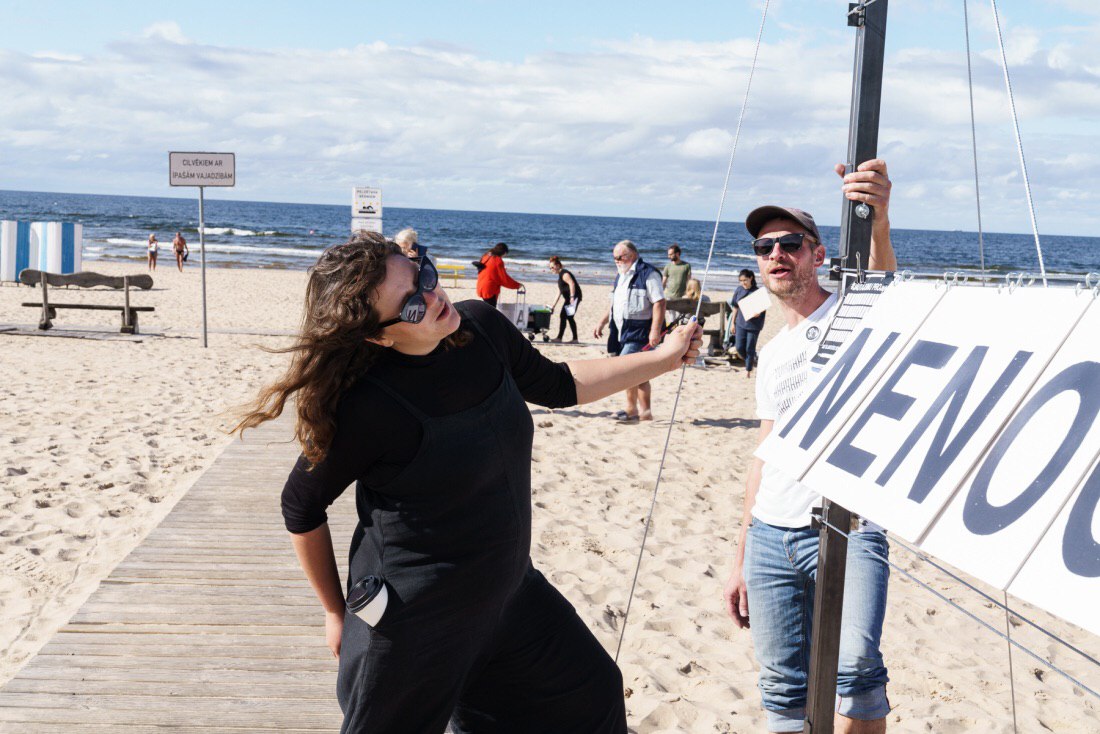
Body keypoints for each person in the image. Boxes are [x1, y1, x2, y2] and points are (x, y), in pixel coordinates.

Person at [236, 232, 702, 733]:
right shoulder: (365, 407)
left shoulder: (481, 327)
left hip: (508, 591)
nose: (433, 299)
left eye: (426, 278)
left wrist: (664, 358)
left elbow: (558, 384)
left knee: (591, 696)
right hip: (415, 622)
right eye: (410, 305)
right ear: (375, 335)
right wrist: (334, 612)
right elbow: (300, 507)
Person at [723, 159, 896, 734]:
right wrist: (741, 554)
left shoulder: (853, 313)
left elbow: (881, 282)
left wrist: (877, 216)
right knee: (781, 688)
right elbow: (764, 453)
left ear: (817, 254)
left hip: (849, 525)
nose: (775, 254)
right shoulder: (771, 353)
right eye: (763, 246)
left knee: (856, 672)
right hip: (772, 535)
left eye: (789, 243)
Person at [593, 240, 666, 423]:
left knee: (628, 371)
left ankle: (632, 410)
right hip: (620, 331)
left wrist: (655, 331)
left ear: (632, 255)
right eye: (614, 258)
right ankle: (644, 412)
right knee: (639, 373)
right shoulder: (621, 275)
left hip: (640, 332)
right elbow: (614, 304)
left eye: (620, 257)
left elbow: (659, 302)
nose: (617, 260)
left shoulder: (648, 274)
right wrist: (601, 323)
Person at [727, 269, 766, 377]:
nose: (743, 282)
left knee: (750, 347)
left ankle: (748, 370)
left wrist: (756, 313)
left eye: (745, 280)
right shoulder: (739, 290)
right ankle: (750, 361)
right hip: (740, 323)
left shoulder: (758, 292)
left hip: (754, 325)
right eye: (741, 280)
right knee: (739, 347)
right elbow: (735, 307)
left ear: (751, 278)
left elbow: (761, 311)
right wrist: (732, 323)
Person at [476, 242, 522, 307]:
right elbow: (503, 279)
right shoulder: (497, 260)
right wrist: (516, 285)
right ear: (504, 252)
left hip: (481, 286)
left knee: (487, 309)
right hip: (489, 289)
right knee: (491, 311)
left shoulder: (486, 256)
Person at [547, 255, 582, 343]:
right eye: (550, 268)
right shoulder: (560, 277)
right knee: (567, 316)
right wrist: (553, 305)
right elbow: (559, 292)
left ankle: (563, 338)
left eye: (552, 267)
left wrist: (572, 297)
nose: (551, 269)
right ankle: (573, 339)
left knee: (567, 316)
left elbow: (572, 284)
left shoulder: (564, 274)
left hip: (574, 297)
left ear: (558, 265)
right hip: (569, 298)